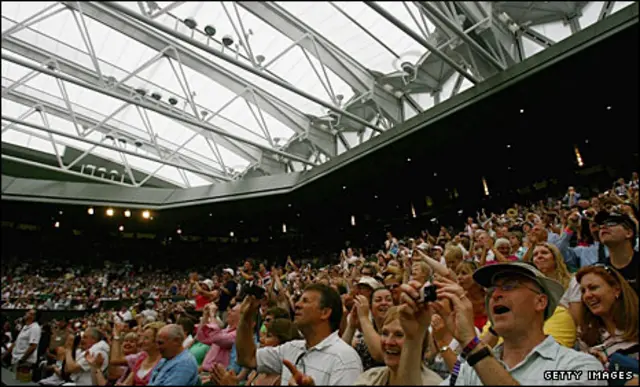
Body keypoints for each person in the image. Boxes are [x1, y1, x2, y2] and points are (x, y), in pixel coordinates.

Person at [392, 262, 606, 385]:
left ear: (541, 301)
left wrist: (472, 344)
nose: (495, 296)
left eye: (510, 286)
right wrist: (414, 337)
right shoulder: (470, 370)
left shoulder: (580, 367)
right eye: (492, 291)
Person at [236, 284, 363, 385]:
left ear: (325, 312)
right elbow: (248, 358)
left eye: (305, 301)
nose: (296, 305)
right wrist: (245, 319)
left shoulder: (345, 359)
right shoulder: (291, 348)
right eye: (299, 300)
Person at [354, 305, 442, 385]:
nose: (388, 342)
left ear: (419, 342)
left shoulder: (434, 383)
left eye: (399, 335)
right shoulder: (370, 378)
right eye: (385, 333)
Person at [595, 210, 639, 294]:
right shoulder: (598, 270)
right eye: (600, 226)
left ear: (629, 233)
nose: (603, 227)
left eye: (611, 224)